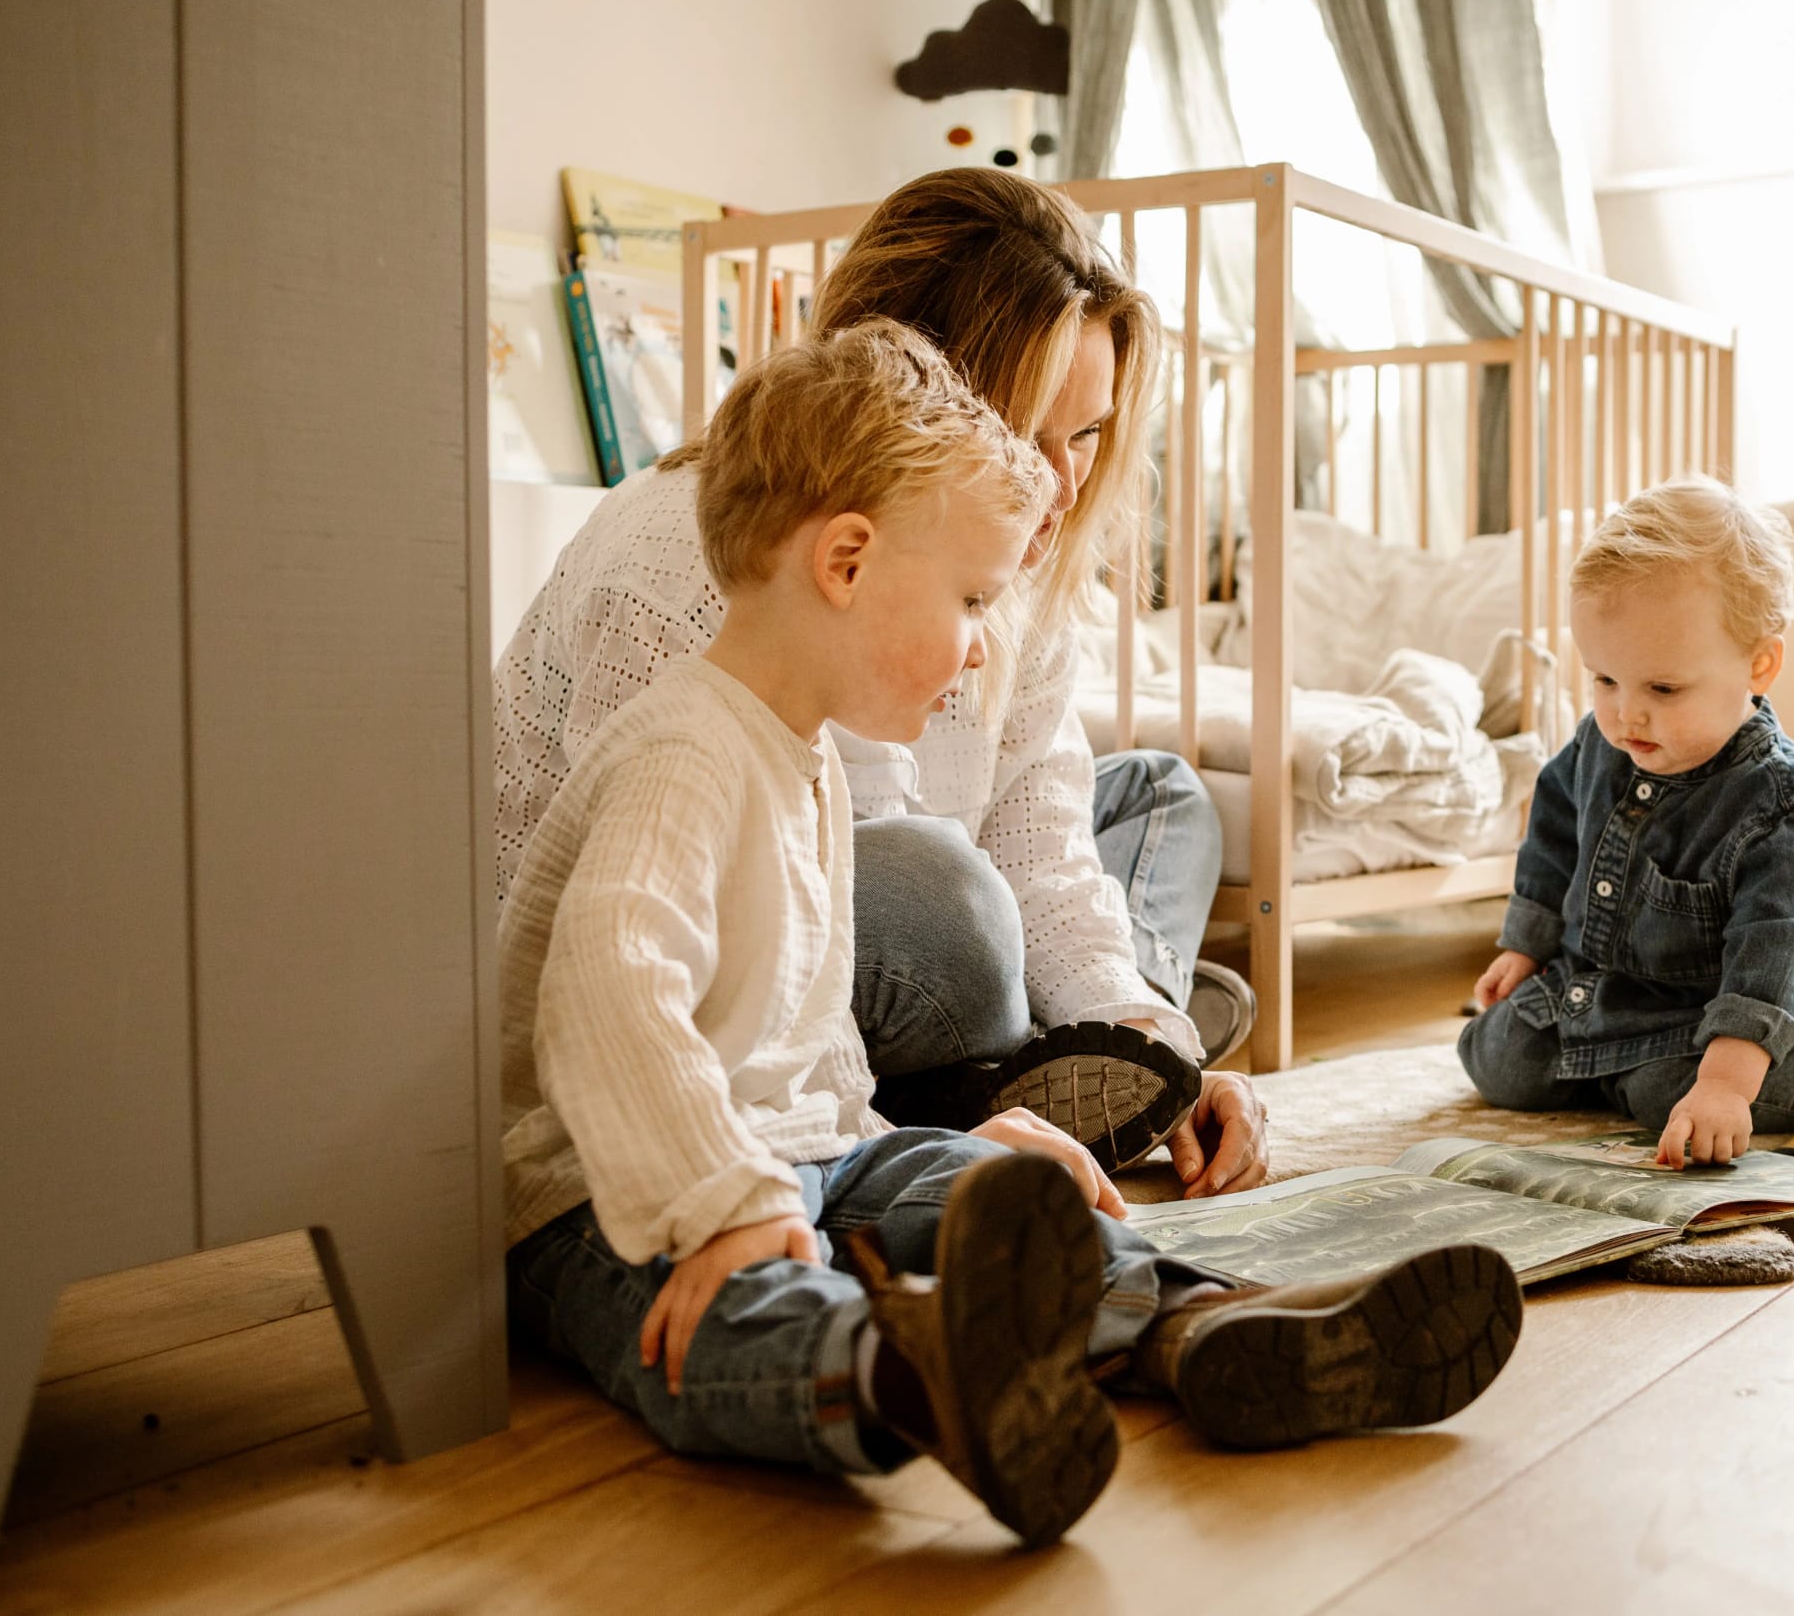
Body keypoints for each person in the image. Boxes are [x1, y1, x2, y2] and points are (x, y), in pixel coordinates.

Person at [501, 323, 1522, 1547]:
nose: (986, 638)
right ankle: (918, 1377)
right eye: (972, 597)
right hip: (607, 1194)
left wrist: (922, 1138)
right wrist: (719, 1200)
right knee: (727, 1310)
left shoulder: (805, 757)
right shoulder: (682, 754)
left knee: (985, 1183)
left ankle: (1195, 1326)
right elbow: (606, 999)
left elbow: (805, 1038)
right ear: (845, 561)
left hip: (800, 1155)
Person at [494, 168, 1263, 1188]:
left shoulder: (1004, 551)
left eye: (1085, 436)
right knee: (959, 906)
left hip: (880, 916)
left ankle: (1097, 1049)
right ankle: (987, 1083)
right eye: (1027, 432)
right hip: (688, 952)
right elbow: (652, 924)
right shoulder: (695, 560)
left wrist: (1141, 1029)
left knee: (1166, 799)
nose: (1065, 484)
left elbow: (1037, 819)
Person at [1459, 478, 1794, 1167]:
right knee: (1497, 1054)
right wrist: (1526, 946)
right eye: (1604, 679)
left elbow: (1772, 956)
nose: (1626, 714)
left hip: (1726, 1015)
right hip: (1610, 990)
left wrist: (1724, 1084)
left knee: (1675, 1093)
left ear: (1759, 665)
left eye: (1663, 688)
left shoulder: (1784, 807)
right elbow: (1555, 828)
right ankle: (1617, 1071)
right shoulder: (1605, 739)